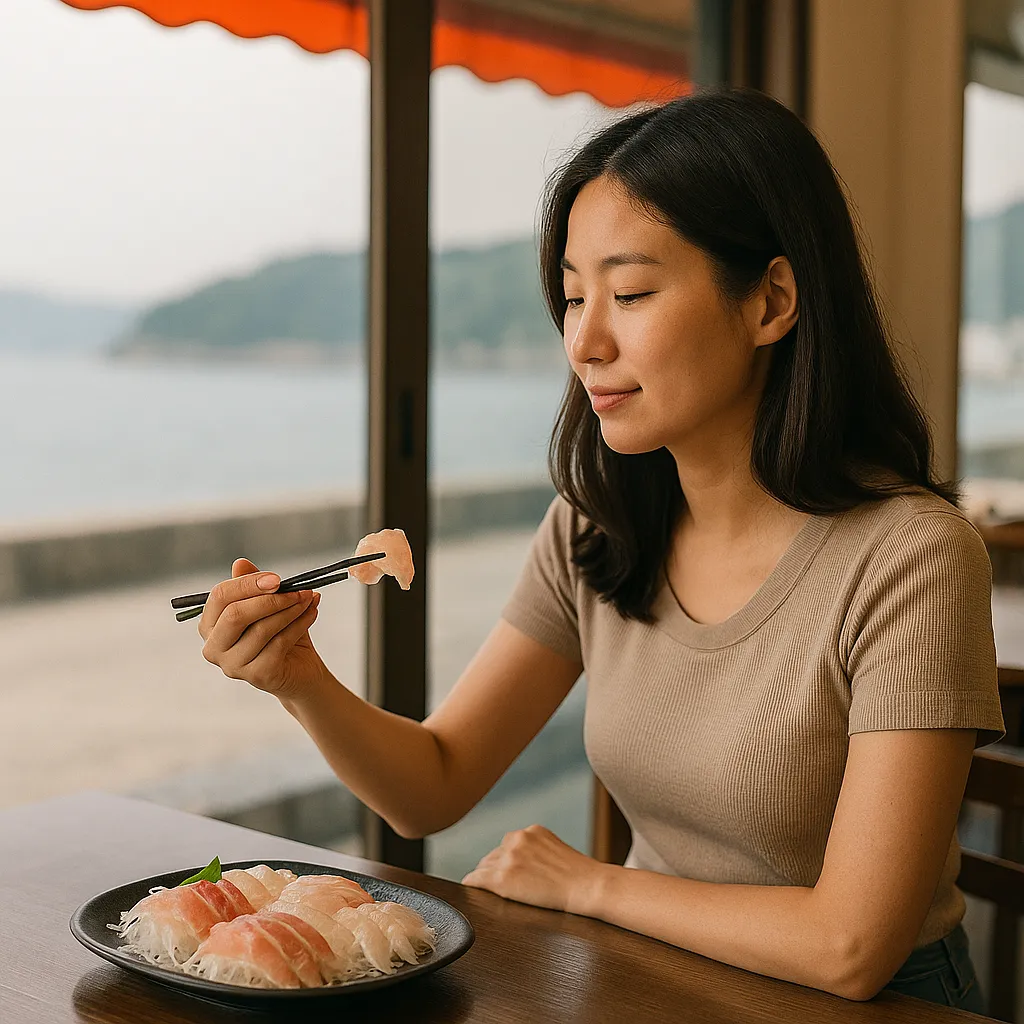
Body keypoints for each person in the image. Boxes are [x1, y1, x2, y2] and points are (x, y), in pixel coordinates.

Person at [196, 88, 1003, 1010]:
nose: (584, 341)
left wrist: (592, 886)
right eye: (574, 297)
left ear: (771, 301)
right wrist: (299, 677)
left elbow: (850, 947)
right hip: (661, 980)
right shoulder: (596, 527)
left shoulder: (913, 557)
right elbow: (434, 786)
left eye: (630, 294)